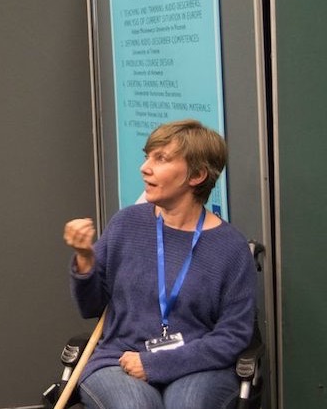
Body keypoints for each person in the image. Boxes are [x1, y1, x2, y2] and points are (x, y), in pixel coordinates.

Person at [63, 119, 256, 409]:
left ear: (197, 175)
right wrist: (85, 258)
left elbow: (234, 335)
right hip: (118, 359)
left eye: (161, 159)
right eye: (147, 156)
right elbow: (90, 307)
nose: (145, 167)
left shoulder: (231, 248)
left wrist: (157, 363)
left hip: (197, 364)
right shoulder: (127, 224)